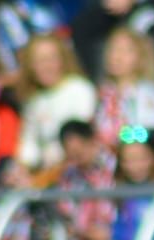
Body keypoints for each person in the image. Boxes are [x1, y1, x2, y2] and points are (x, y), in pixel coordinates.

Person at [10, 33, 98, 185]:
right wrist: (21, 170)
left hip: (73, 175)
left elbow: (77, 146)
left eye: (51, 59)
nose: (46, 66)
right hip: (43, 174)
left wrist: (39, 181)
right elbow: (29, 146)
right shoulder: (33, 101)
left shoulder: (80, 90)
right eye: (39, 61)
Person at [92, 25, 154, 146]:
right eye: (113, 49)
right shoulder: (104, 93)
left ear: (141, 57)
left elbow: (150, 132)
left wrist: (120, 138)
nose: (117, 56)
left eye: (125, 51)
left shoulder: (148, 93)